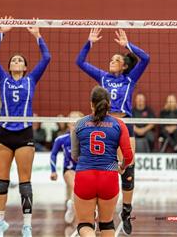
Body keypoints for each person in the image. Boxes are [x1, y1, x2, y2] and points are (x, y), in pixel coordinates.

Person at [76, 28, 150, 235]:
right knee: (106, 165)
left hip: (125, 123)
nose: (111, 61)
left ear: (124, 65)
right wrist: (89, 42)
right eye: (111, 58)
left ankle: (126, 211)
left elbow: (146, 58)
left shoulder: (130, 79)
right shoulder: (103, 77)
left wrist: (127, 45)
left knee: (128, 167)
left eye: (116, 59)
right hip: (106, 123)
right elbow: (80, 62)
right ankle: (98, 206)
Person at [0, 16, 51, 237]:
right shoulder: (3, 80)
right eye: (13, 60)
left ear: (25, 67)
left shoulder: (31, 79)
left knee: (25, 182)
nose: (16, 61)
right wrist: (1, 32)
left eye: (19, 60)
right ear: (9, 67)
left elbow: (47, 57)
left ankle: (27, 226)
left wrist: (37, 36)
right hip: (4, 133)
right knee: (1, 182)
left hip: (24, 133)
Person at [71, 86, 133, 237]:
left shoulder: (79, 124)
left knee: (85, 224)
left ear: (91, 104)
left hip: (85, 176)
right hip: (109, 176)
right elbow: (129, 156)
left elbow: (74, 155)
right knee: (107, 223)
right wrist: (122, 167)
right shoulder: (119, 124)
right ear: (108, 104)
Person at [50, 111, 84, 224]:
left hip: (84, 170)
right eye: (72, 120)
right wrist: (53, 171)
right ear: (68, 123)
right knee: (77, 188)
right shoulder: (61, 139)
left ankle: (72, 204)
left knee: (85, 192)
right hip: (69, 170)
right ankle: (79, 220)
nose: (74, 122)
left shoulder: (86, 138)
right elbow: (53, 154)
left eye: (77, 120)